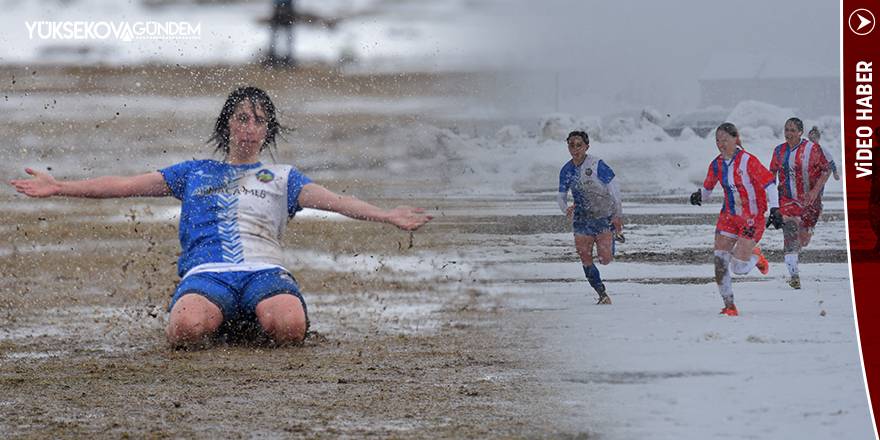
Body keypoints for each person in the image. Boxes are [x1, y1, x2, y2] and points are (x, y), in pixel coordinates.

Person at [10, 86, 432, 348]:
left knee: (288, 330)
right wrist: (59, 186)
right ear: (227, 123)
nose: (249, 127)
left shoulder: (282, 177)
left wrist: (387, 215)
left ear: (268, 131)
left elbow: (336, 201)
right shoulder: (193, 172)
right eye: (242, 118)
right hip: (208, 274)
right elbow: (123, 185)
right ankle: (224, 316)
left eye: (259, 121)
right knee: (187, 333)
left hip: (265, 272)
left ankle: (252, 315)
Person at [689, 122, 777, 316]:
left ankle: (756, 257)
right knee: (719, 262)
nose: (721, 144)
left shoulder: (748, 161)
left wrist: (775, 209)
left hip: (752, 218)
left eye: (725, 140)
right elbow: (708, 189)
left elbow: (770, 184)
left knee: (738, 268)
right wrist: (699, 196)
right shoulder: (716, 164)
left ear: (736, 139)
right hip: (728, 217)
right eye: (717, 141)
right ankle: (730, 306)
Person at [557, 130, 623, 305]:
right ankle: (602, 293)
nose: (575, 149)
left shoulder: (596, 164)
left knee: (605, 259)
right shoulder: (566, 170)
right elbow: (561, 196)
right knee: (584, 256)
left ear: (587, 146)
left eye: (579, 145)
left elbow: (614, 188)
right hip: (582, 218)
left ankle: (612, 238)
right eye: (572, 145)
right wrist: (566, 209)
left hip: (602, 216)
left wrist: (617, 215)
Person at [767, 118, 833, 289]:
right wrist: (772, 202)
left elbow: (827, 170)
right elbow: (770, 176)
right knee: (789, 231)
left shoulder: (812, 149)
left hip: (809, 202)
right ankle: (794, 275)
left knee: (803, 240)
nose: (788, 133)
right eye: (786, 130)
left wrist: (814, 191)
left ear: (800, 132)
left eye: (792, 130)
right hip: (787, 200)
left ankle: (805, 233)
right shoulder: (779, 151)